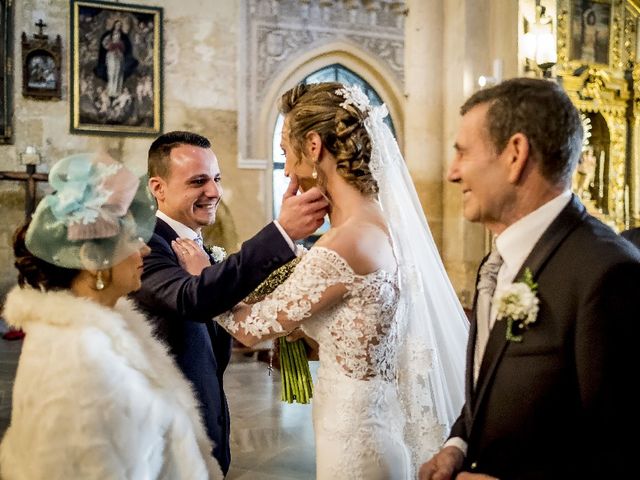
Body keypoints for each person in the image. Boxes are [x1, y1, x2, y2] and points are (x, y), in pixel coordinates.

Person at [174, 83, 468, 479]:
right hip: (366, 423)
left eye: (285, 153)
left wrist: (201, 276)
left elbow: (248, 330)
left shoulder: (346, 242)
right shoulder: (375, 222)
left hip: (355, 440)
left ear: (313, 146)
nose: (288, 168)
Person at [420, 78, 640, 479]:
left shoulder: (608, 274)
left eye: (463, 152)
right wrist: (459, 444)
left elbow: (623, 451)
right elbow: (490, 388)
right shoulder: (498, 260)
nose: (452, 173)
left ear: (515, 154)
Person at [0, 153, 223, 479]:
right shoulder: (80, 356)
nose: (145, 250)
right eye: (131, 241)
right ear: (95, 261)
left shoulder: (110, 333)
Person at [131, 130, 328, 475]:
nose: (214, 192)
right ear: (158, 187)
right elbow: (191, 298)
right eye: (198, 181)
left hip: (205, 425)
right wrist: (281, 233)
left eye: (217, 179)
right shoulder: (146, 245)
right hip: (167, 435)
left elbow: (218, 293)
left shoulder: (196, 246)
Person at [94, 20, 138, 98]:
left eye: (119, 25)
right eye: (117, 25)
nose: (118, 26)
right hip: (111, 57)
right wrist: (109, 47)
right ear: (114, 25)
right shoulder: (109, 36)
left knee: (118, 73)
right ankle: (111, 91)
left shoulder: (122, 39)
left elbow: (125, 48)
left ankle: (117, 91)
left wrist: (120, 51)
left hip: (119, 58)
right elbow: (104, 43)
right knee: (111, 73)